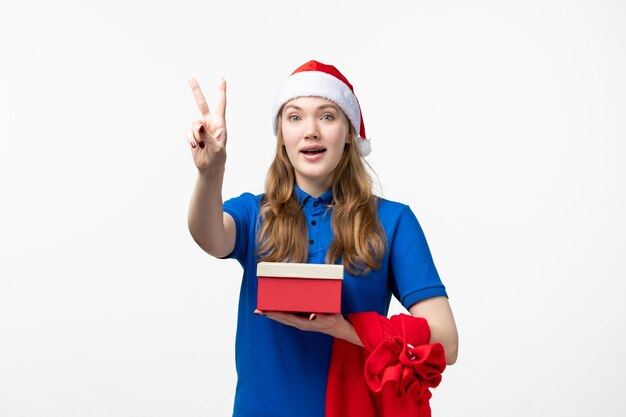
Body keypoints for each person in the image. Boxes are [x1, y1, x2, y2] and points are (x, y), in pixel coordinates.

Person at [185, 60, 459, 417]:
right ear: (281, 133)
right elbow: (209, 236)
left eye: (327, 116)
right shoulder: (253, 213)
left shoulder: (393, 221)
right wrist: (211, 172)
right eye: (295, 117)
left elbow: (446, 341)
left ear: (349, 132)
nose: (310, 131)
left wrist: (350, 329)